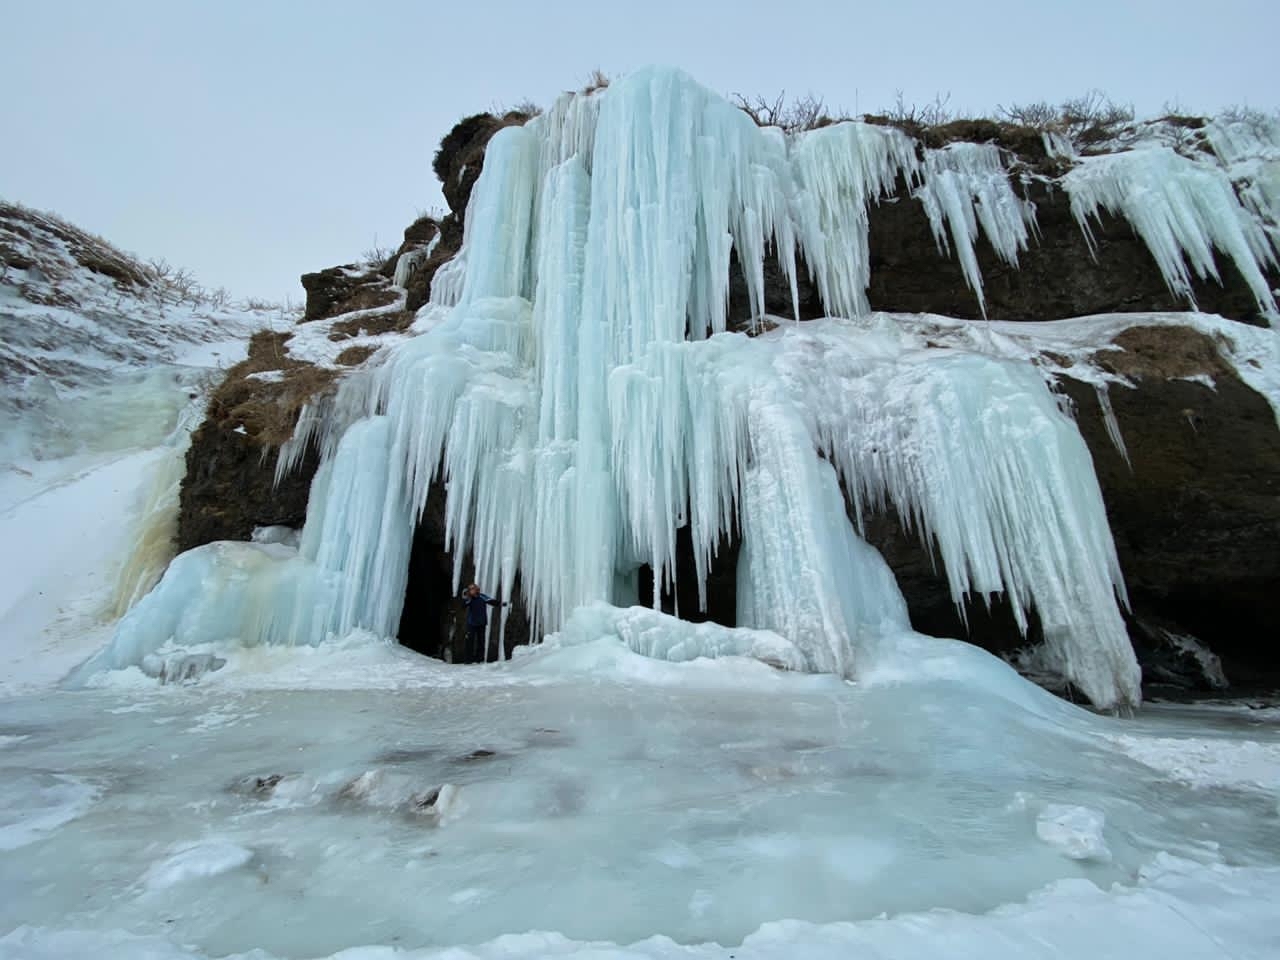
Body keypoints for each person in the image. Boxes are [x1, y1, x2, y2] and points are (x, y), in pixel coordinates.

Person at [459, 583, 505, 663]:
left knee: (481, 642)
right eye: (471, 589)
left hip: (481, 623)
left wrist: (501, 604)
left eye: (474, 589)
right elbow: (463, 606)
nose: (473, 591)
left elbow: (491, 601)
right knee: (469, 641)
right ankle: (468, 660)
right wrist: (465, 598)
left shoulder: (482, 596)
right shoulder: (469, 599)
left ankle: (479, 659)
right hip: (472, 624)